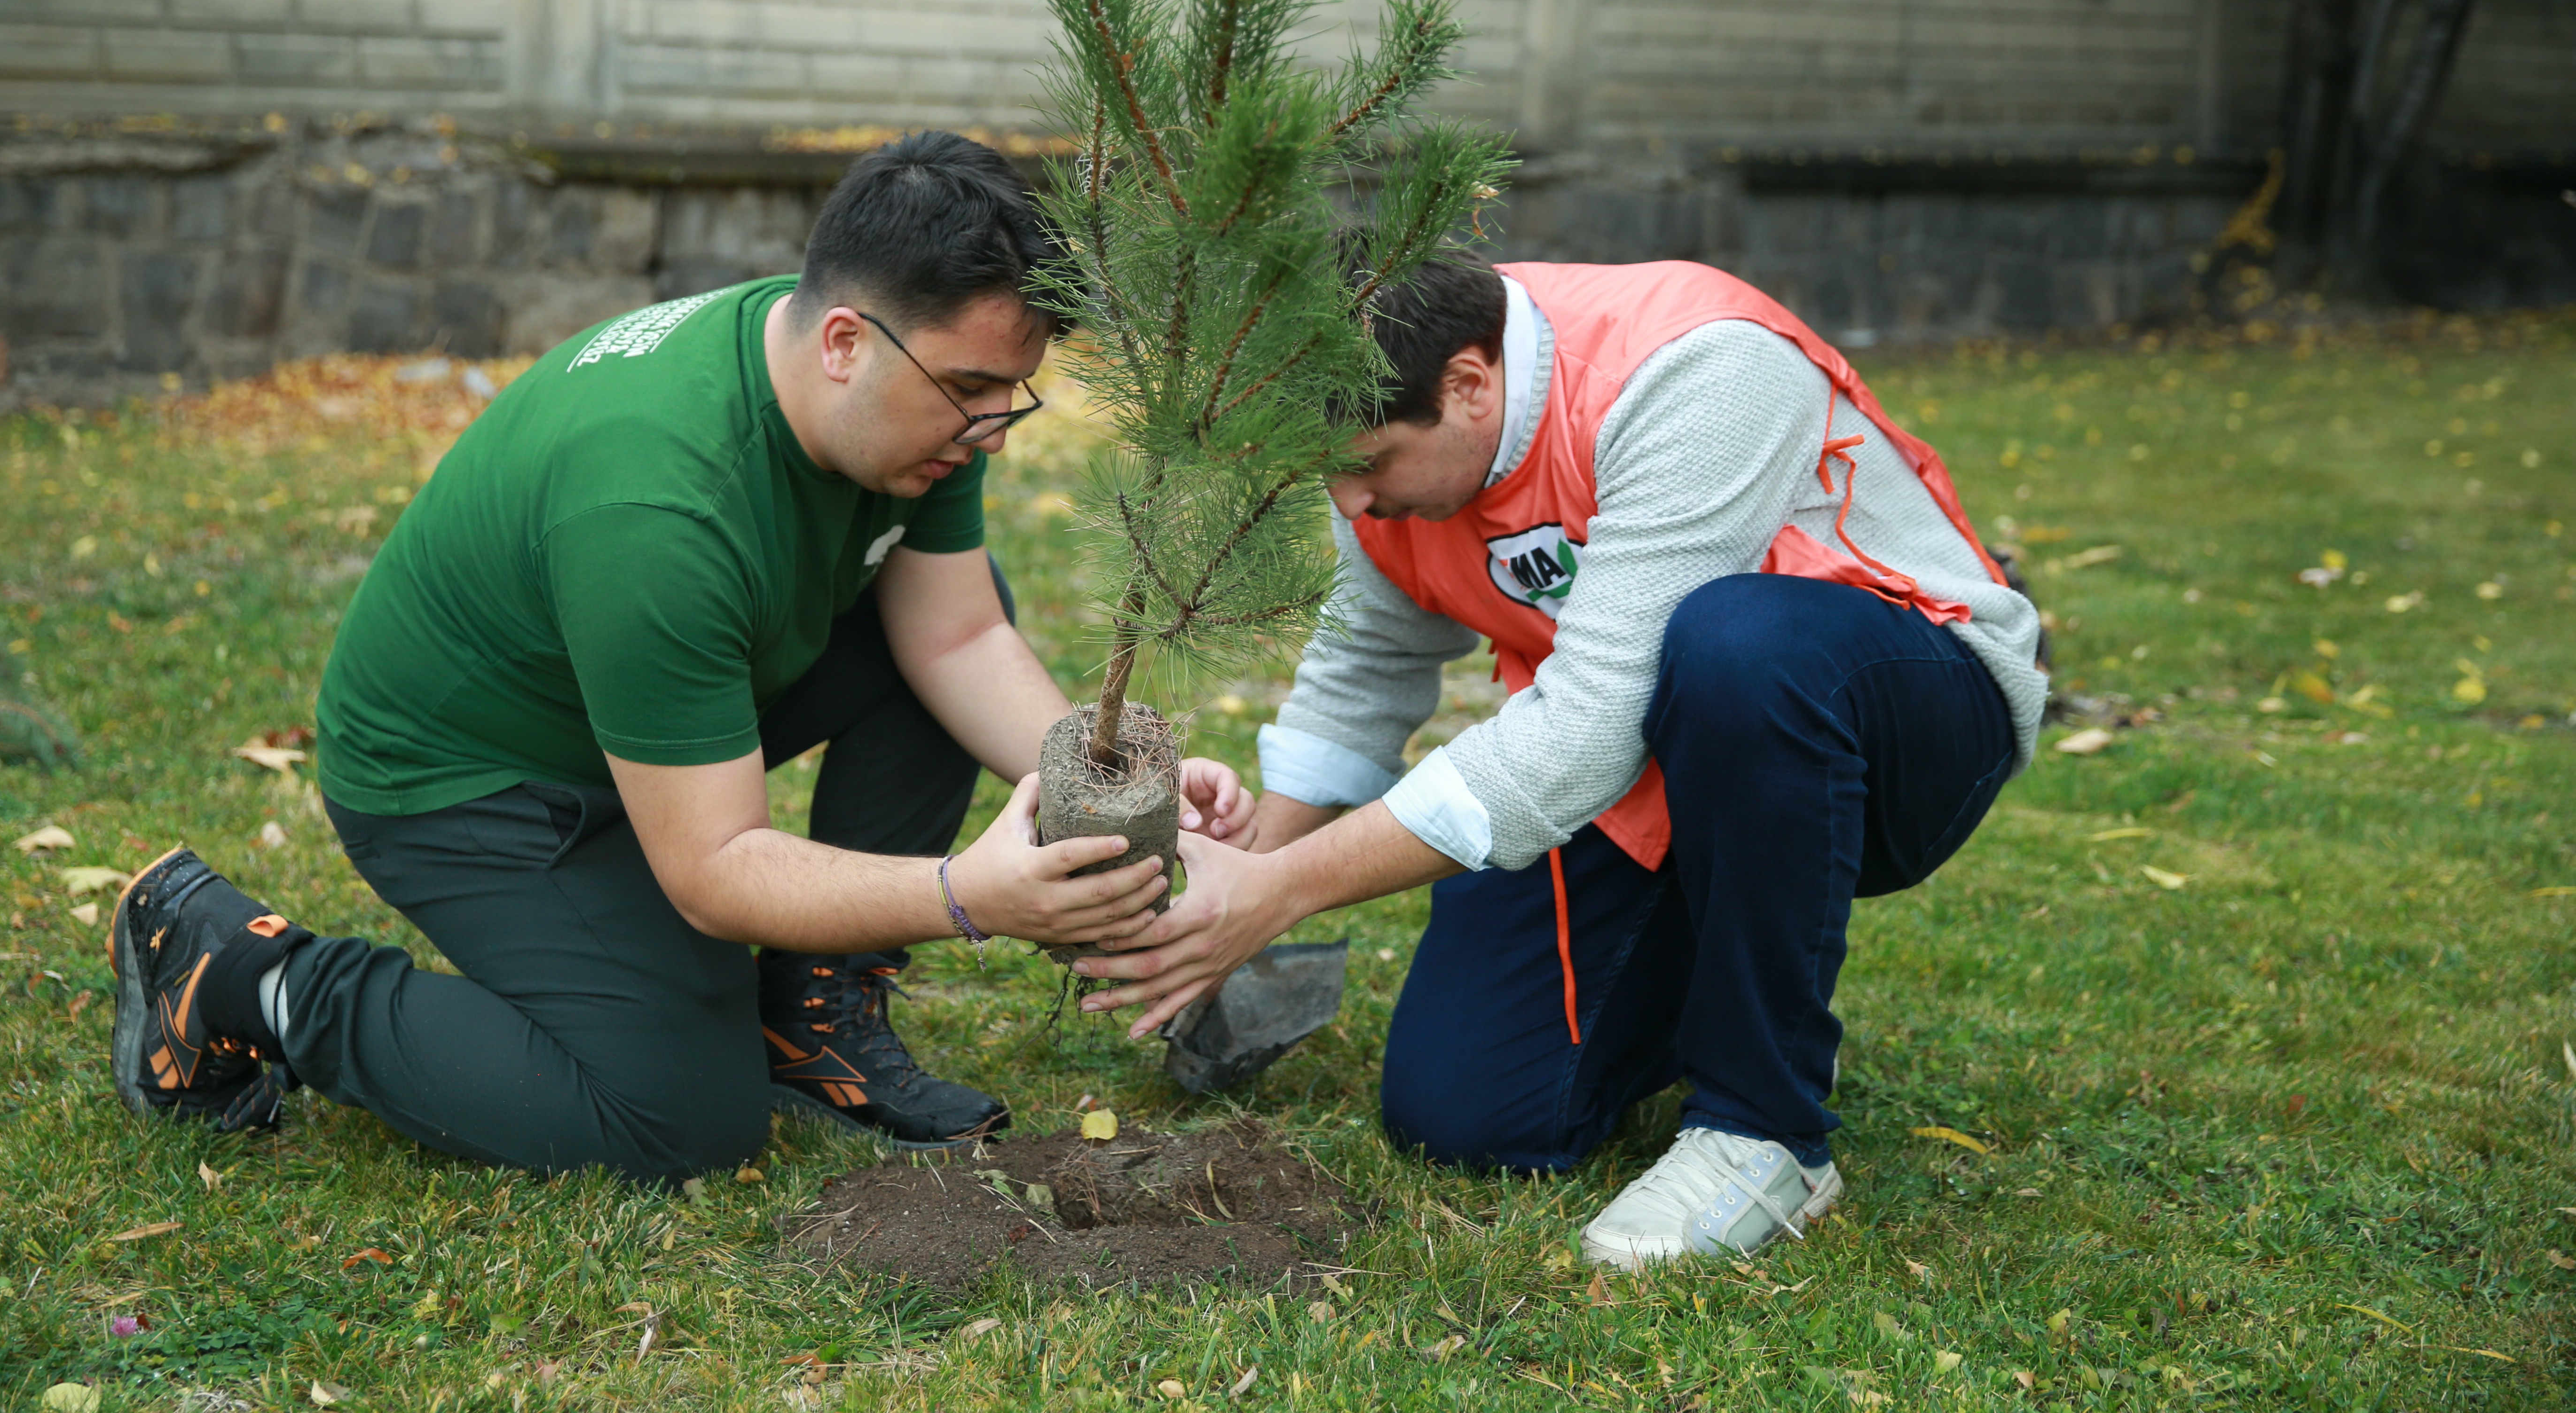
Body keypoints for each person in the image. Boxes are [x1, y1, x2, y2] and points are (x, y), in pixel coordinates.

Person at [104, 132, 1252, 1180]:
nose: (995, 427)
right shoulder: (656, 502)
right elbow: (713, 873)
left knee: (943, 622)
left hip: (654, 723)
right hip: (474, 785)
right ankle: (242, 972)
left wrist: (1097, 797)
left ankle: (809, 1022)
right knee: (678, 1119)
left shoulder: (893, 400)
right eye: (970, 392)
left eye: (1013, 393)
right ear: (847, 341)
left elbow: (956, 633)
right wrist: (967, 898)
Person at [1075, 255, 2042, 1267]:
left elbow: (1586, 733)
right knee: (1465, 1114)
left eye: (1370, 467)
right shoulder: (1385, 421)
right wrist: (1239, 885)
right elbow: (1365, 672)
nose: (1352, 507)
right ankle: (1712, 975)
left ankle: (1766, 1130)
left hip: (1906, 721)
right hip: (1661, 765)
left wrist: (1282, 892)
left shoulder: (1693, 367)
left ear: (1468, 386)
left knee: (1737, 645)